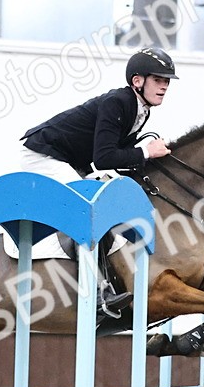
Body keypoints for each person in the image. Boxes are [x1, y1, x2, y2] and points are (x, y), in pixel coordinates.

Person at [19, 47, 178, 318]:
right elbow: (104, 158)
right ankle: (96, 292)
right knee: (86, 206)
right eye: (158, 80)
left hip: (70, 160)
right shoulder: (118, 102)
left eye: (166, 82)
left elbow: (112, 158)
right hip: (42, 154)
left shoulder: (141, 110)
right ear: (137, 81)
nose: (164, 86)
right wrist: (146, 152)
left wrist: (148, 158)